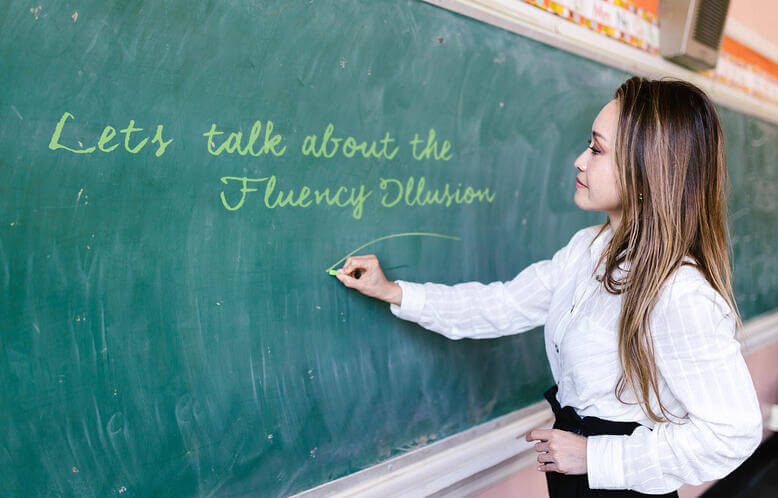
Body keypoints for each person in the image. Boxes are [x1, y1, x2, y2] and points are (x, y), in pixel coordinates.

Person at [333, 76, 763, 497]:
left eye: (597, 149)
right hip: (572, 478)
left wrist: (596, 457)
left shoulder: (680, 294)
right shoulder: (586, 250)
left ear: (646, 171)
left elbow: (732, 434)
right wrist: (394, 292)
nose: (580, 159)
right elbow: (501, 304)